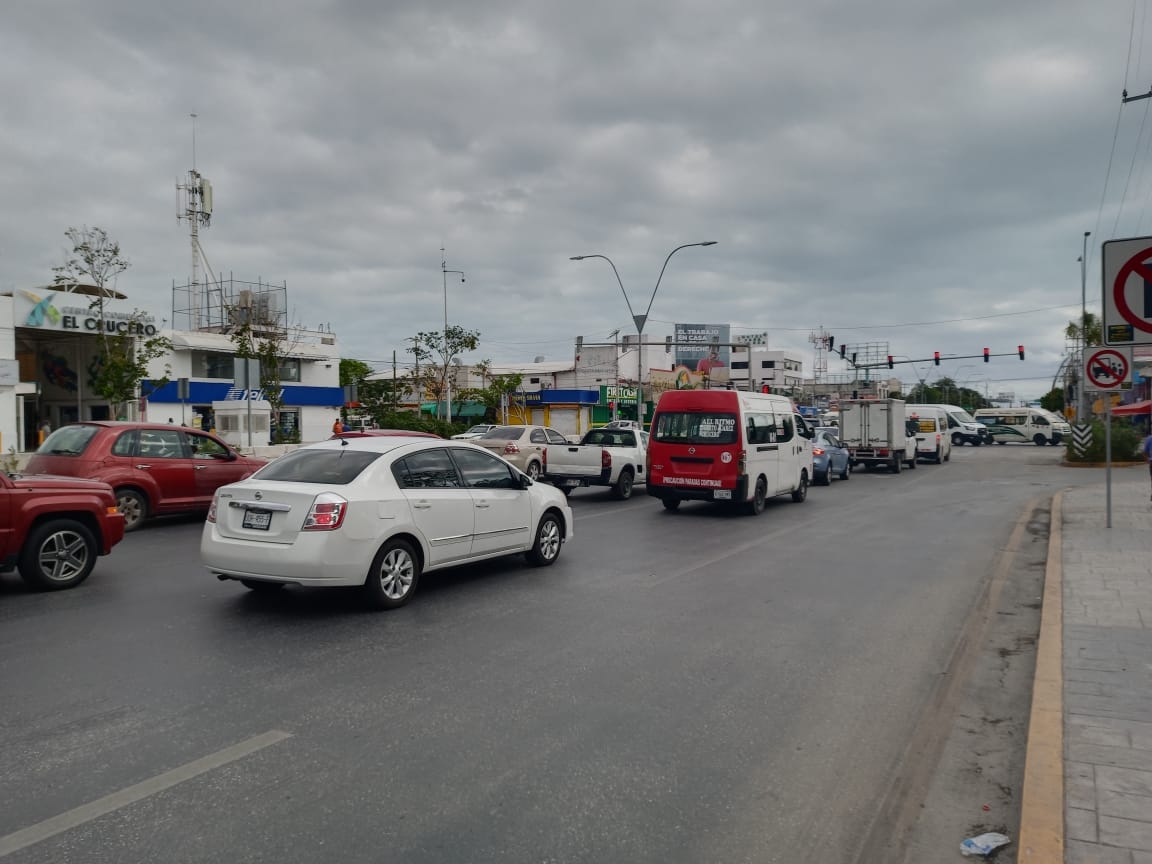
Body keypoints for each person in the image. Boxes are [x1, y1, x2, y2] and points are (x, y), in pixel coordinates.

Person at [1143, 428, 1152, 501]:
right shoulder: (1149, 439)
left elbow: (1145, 452)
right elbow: (1145, 452)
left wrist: (1148, 460)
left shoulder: (1149, 439)